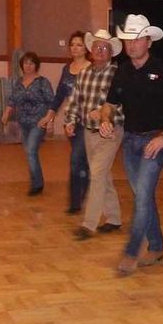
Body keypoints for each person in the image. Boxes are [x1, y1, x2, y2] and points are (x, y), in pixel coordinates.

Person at [100, 14, 163, 274]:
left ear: (149, 41)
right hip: (130, 142)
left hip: (156, 141)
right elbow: (109, 105)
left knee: (141, 199)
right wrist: (106, 119)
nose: (132, 44)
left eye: (138, 39)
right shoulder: (123, 72)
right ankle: (157, 245)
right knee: (143, 196)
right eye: (129, 39)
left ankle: (132, 252)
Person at [64, 29, 124, 240]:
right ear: (91, 50)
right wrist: (70, 121)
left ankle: (89, 224)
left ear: (111, 53)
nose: (100, 50)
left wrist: (105, 113)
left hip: (111, 132)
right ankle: (114, 218)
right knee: (103, 175)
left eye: (104, 47)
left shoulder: (118, 75)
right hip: (88, 133)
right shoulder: (83, 75)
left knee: (96, 174)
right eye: (97, 46)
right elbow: (74, 101)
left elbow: (126, 105)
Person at [39, 31, 91, 213]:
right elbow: (60, 94)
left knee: (77, 159)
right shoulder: (66, 69)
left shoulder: (92, 68)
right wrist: (49, 115)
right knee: (82, 161)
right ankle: (84, 191)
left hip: (88, 121)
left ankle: (76, 202)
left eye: (79, 44)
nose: (75, 48)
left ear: (86, 48)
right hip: (71, 121)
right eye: (73, 45)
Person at [1, 52, 54, 196]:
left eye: (31, 63)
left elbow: (52, 103)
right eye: (25, 63)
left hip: (39, 121)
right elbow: (12, 99)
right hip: (23, 121)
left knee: (31, 151)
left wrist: (50, 121)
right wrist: (6, 113)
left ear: (36, 65)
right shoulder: (19, 82)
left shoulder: (43, 82)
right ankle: (37, 180)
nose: (28, 66)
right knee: (30, 152)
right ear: (22, 66)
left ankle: (36, 185)